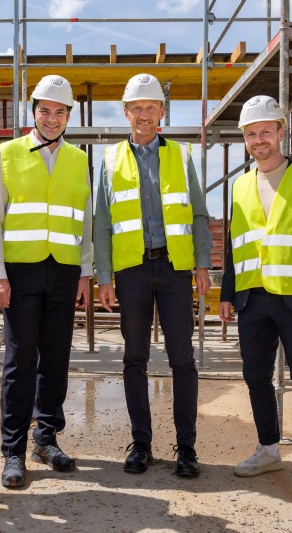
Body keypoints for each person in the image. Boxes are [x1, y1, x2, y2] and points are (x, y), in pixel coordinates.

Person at [218, 95, 292, 497]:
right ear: (245, 139)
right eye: (251, 134)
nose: (259, 140)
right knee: (255, 377)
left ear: (281, 132)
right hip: (252, 299)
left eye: (265, 132)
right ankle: (268, 449)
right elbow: (237, 246)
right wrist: (227, 293)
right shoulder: (239, 185)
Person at [94, 73, 212, 478]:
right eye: (137, 108)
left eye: (151, 107)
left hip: (175, 268)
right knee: (134, 358)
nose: (144, 115)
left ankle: (187, 447)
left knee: (183, 358)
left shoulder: (180, 155)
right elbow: (102, 223)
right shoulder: (109, 160)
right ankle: (141, 443)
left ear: (162, 111)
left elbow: (198, 212)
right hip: (131, 270)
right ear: (125, 113)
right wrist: (104, 276)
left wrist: (202, 263)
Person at [0, 74, 92, 489]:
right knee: (20, 362)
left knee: (56, 361)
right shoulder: (8, 154)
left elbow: (85, 220)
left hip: (64, 272)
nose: (51, 118)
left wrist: (85, 271)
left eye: (59, 111)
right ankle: (12, 449)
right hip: (21, 273)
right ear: (33, 112)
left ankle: (45, 439)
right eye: (44, 110)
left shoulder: (79, 159)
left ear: (68, 116)